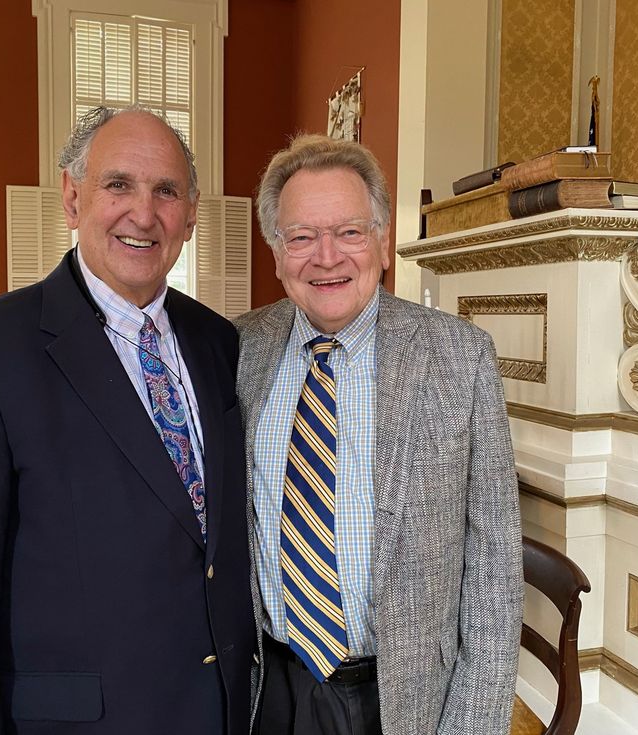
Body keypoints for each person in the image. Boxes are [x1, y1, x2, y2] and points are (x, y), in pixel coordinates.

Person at [0, 106, 254, 734]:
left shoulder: (219, 342)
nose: (143, 214)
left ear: (192, 213)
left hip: (218, 712)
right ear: (71, 196)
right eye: (118, 184)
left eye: (166, 191)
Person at [234, 134, 523, 735]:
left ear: (384, 241)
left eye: (349, 231)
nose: (327, 257)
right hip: (268, 689)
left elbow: (495, 563)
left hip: (404, 697)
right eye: (302, 236)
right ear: (276, 252)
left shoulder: (459, 357)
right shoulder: (236, 350)